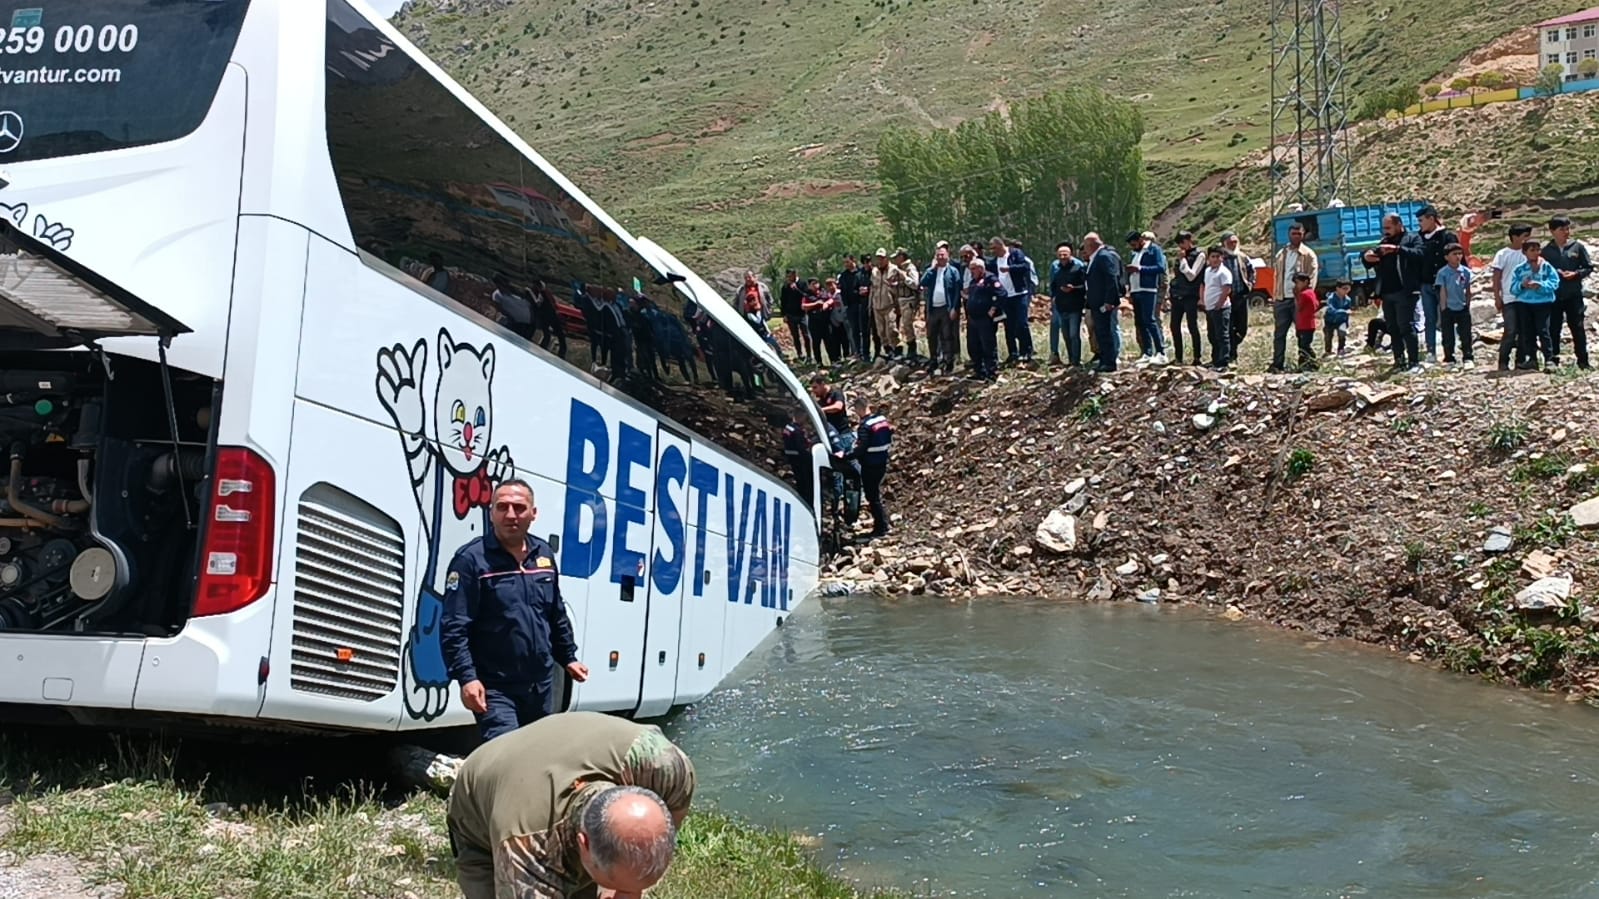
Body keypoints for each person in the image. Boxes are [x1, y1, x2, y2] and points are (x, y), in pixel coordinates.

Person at [446, 711, 697, 899]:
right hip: (477, 811)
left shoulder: (663, 765)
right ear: (583, 844)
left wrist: (627, 889)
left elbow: (672, 814)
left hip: (551, 756)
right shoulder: (525, 848)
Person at [442, 480, 590, 742]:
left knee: (538, 753)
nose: (510, 515)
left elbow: (555, 612)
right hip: (496, 687)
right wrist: (467, 678)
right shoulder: (471, 560)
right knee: (507, 754)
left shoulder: (543, 554)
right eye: (502, 507)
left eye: (519, 508)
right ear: (491, 513)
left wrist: (568, 657)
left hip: (541, 685)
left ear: (533, 513)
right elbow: (455, 626)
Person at [1362, 213, 1425, 373]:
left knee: (1406, 326)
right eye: (1384, 228)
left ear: (1399, 225)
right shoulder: (1384, 242)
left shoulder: (1412, 238)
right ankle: (1399, 361)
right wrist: (1366, 256)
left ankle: (1414, 362)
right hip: (1387, 293)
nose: (1386, 231)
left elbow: (1420, 255)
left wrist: (1397, 250)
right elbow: (1370, 256)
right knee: (1393, 328)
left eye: (1388, 228)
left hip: (1405, 291)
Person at [1543, 215, 1593, 370]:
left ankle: (1583, 361)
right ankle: (1553, 360)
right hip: (1554, 296)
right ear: (1552, 231)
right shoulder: (1546, 251)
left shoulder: (1577, 247)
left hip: (1573, 295)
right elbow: (1541, 270)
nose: (1566, 232)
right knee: (1554, 328)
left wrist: (1576, 274)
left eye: (1567, 228)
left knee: (1577, 327)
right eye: (1562, 229)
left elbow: (1588, 267)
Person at [1509, 239, 1559, 370]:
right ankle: (1532, 359)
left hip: (1543, 303)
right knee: (1527, 332)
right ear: (1525, 252)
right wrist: (1522, 285)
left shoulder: (1546, 267)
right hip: (1524, 304)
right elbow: (1512, 288)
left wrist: (1541, 286)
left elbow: (1555, 282)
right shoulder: (1519, 269)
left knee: (1544, 331)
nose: (1536, 253)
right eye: (1532, 250)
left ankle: (1549, 359)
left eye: (1538, 250)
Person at [1490, 224, 1533, 372]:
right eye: (1525, 236)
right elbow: (1496, 278)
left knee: (1524, 330)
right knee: (1510, 329)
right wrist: (1497, 297)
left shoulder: (1529, 254)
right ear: (1515, 237)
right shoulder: (1503, 254)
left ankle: (1520, 361)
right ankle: (1503, 361)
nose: (1527, 239)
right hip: (1509, 298)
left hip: (1527, 298)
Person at [850, 395, 893, 538]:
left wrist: (847, 456)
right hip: (882, 462)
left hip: (870, 465)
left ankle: (881, 528)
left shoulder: (865, 426)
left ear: (858, 409)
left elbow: (862, 448)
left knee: (872, 496)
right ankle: (884, 523)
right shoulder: (881, 420)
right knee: (876, 495)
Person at [1434, 243, 1474, 365]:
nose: (1458, 256)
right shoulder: (1443, 273)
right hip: (1448, 307)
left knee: (1466, 334)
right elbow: (1442, 291)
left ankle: (1467, 356)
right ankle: (1449, 357)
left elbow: (1468, 289)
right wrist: (1443, 307)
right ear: (1446, 257)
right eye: (1454, 254)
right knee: (1448, 335)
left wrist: (1467, 304)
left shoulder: (1466, 272)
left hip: (1462, 307)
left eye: (1459, 253)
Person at [964, 257, 1003, 380]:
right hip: (972, 319)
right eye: (970, 269)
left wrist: (993, 308)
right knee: (973, 346)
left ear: (981, 268)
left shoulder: (990, 279)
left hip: (984, 319)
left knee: (988, 345)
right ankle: (978, 371)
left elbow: (1002, 294)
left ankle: (992, 371)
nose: (971, 271)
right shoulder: (973, 282)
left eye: (974, 269)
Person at [1200, 245, 1233, 370]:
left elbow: (1226, 289)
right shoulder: (1207, 271)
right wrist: (1202, 301)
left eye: (1217, 257)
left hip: (1221, 308)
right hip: (1209, 308)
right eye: (1212, 257)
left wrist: (1219, 304)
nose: (1215, 259)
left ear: (1222, 258)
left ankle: (1223, 362)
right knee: (1212, 335)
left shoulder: (1224, 272)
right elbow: (1204, 286)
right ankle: (1215, 360)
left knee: (1222, 335)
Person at [1292, 272, 1319, 370]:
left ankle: (1313, 363)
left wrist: (1296, 296)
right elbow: (1316, 305)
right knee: (1304, 345)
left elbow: (1299, 307)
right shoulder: (1311, 292)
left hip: (1304, 325)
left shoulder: (1303, 294)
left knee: (1304, 347)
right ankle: (1305, 365)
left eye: (1298, 282)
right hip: (1309, 324)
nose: (1297, 285)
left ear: (1305, 282)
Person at [1322, 279, 1354, 357]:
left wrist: (1347, 323)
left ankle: (1341, 349)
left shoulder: (1348, 299)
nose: (1346, 291)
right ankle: (1328, 351)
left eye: (1348, 288)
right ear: (1338, 288)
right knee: (1328, 336)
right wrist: (1343, 311)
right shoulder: (1331, 298)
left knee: (1342, 334)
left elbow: (1348, 312)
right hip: (1330, 321)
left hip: (1341, 320)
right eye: (1344, 288)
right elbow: (1331, 310)